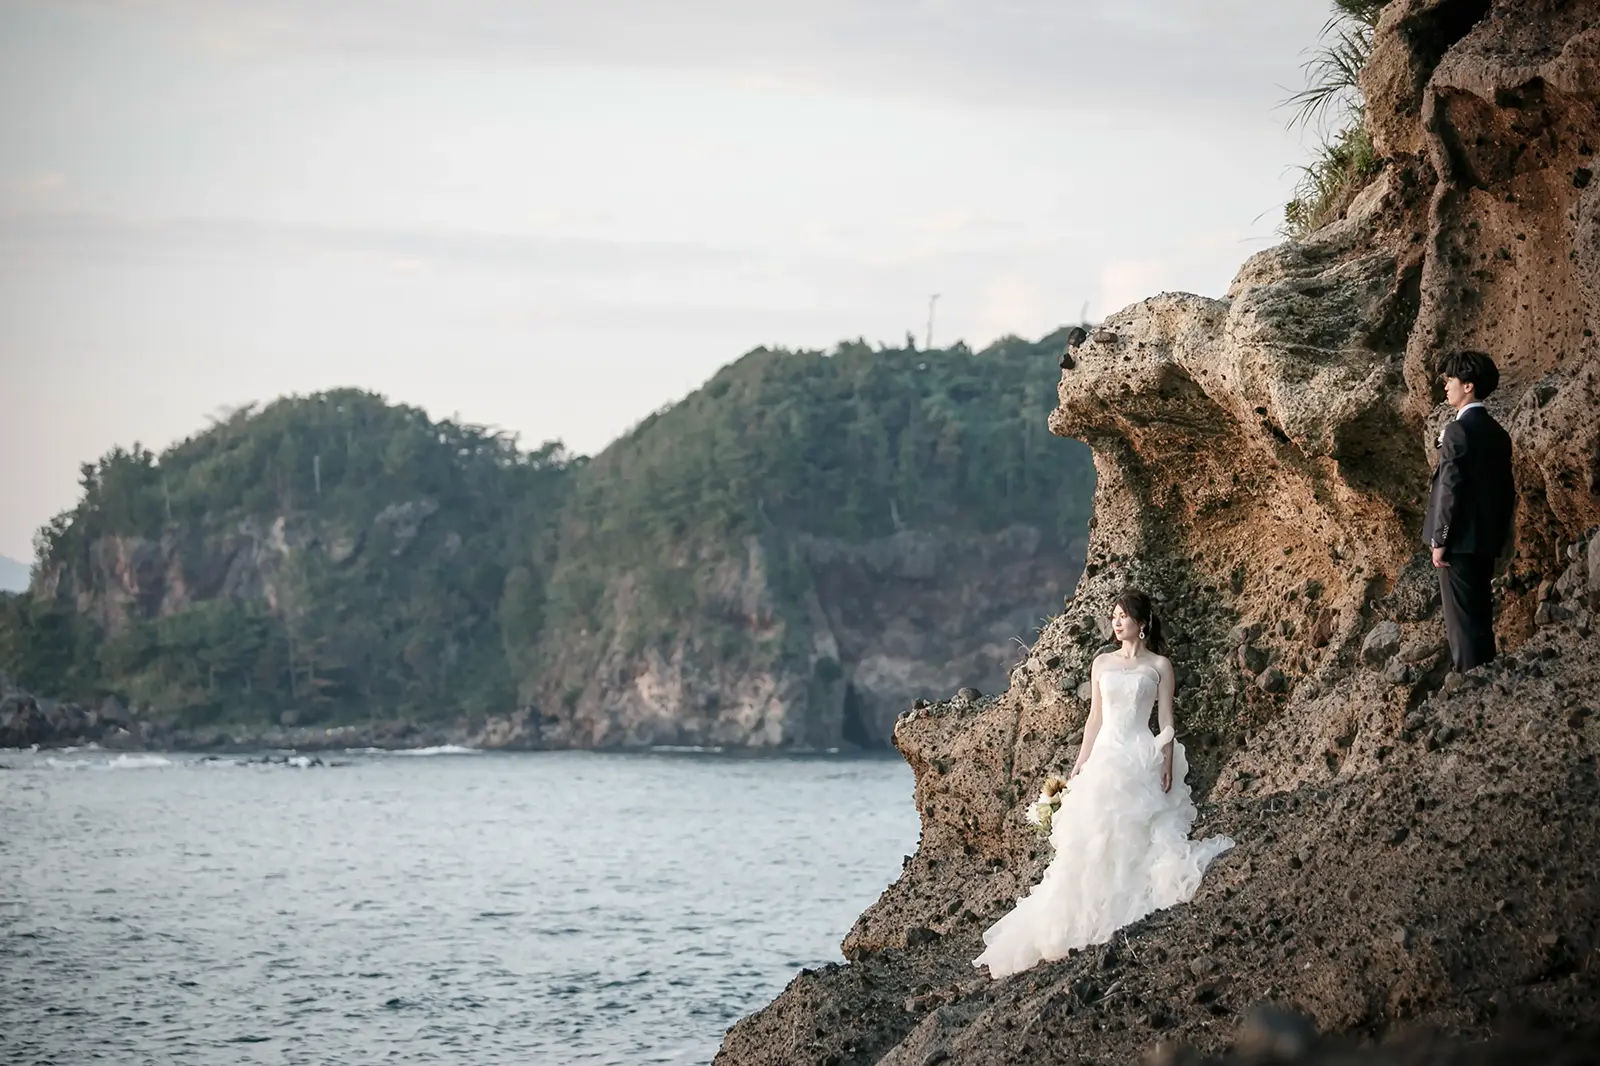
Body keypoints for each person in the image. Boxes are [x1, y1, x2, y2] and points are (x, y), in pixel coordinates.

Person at [972, 589, 1234, 979]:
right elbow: (1094, 720)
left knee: (1136, 833)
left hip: (1141, 755)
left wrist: (1165, 760)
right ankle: (1083, 917)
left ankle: (1124, 909)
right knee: (1094, 838)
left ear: (1141, 623)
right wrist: (1079, 765)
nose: (1115, 622)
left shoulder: (1160, 666)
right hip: (1106, 756)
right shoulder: (1101, 663)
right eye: (1113, 616)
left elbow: (1166, 720)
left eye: (1122, 616)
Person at [1422, 351, 1516, 672]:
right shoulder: (1498, 433)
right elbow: (1505, 491)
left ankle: (1470, 685)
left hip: (1458, 544)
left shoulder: (1456, 431)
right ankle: (1488, 678)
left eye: (1451, 380)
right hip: (1485, 542)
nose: (1446, 386)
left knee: (1461, 624)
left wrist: (1440, 539)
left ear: (1469, 386)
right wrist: (1499, 538)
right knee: (1480, 617)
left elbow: (1451, 489)